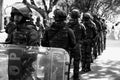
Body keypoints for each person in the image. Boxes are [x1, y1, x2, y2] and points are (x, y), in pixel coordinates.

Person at [5, 2, 39, 80]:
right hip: (13, 64)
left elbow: (34, 52)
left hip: (25, 68)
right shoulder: (13, 29)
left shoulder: (31, 31)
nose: (16, 17)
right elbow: (8, 45)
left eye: (18, 15)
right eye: (14, 15)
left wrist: (24, 62)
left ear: (24, 16)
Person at [41, 9, 77, 80]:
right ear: (64, 19)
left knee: (48, 76)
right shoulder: (69, 31)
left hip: (50, 58)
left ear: (55, 18)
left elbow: (43, 44)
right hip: (63, 58)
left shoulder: (48, 30)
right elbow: (73, 44)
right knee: (62, 77)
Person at [67, 9, 86, 79]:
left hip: (68, 46)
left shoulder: (66, 25)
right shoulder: (81, 26)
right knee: (76, 62)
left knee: (67, 62)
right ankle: (76, 76)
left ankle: (66, 77)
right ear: (78, 16)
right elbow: (84, 36)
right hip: (77, 46)